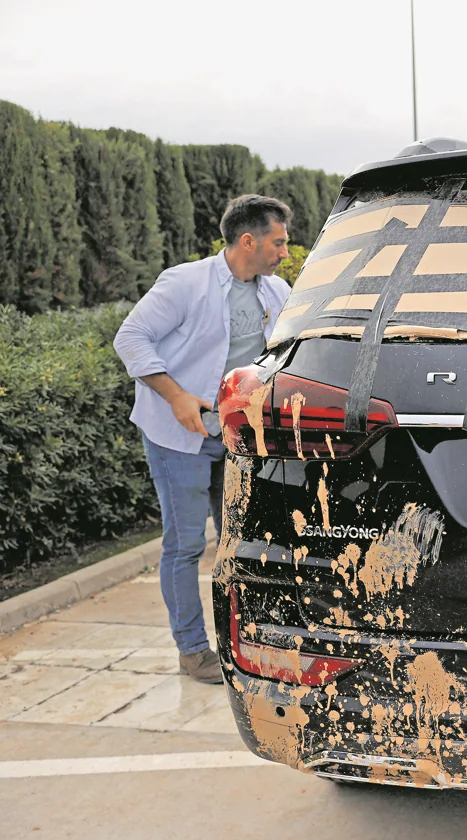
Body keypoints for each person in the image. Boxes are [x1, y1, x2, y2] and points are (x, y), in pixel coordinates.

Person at [114, 195, 293, 683]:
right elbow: (130, 338)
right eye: (278, 241)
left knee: (240, 544)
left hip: (236, 438)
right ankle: (192, 650)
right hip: (178, 435)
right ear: (248, 240)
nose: (285, 250)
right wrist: (176, 396)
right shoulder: (185, 283)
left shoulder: (276, 291)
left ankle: (248, 644)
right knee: (186, 543)